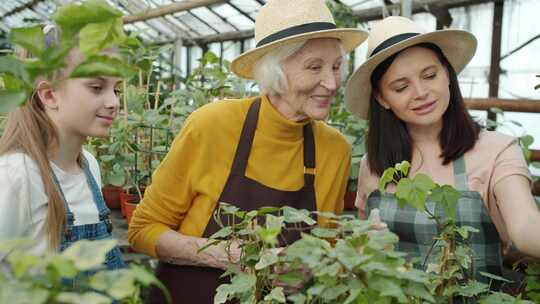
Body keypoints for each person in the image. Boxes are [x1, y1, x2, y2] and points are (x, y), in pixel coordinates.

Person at [127, 0, 367, 302]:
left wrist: (314, 265)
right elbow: (142, 230)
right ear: (274, 70)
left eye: (336, 66)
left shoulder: (335, 151)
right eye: (314, 67)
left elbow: (324, 246)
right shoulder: (212, 125)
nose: (332, 83)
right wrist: (222, 254)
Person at [346, 16, 540, 283]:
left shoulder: (496, 150)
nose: (421, 92)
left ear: (447, 74)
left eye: (430, 75)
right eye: (401, 87)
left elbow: (526, 226)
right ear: (382, 98)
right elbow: (363, 242)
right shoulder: (374, 163)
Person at [0, 24, 125, 271]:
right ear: (49, 95)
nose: (113, 102)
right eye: (97, 87)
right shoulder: (17, 174)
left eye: (116, 89)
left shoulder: (89, 165)